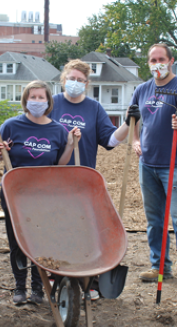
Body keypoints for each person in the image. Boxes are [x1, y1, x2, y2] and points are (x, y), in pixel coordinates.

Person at [49, 59, 140, 299]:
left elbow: (110, 140)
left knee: (85, 230)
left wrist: (128, 124)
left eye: (80, 80)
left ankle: (88, 279)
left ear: (87, 84)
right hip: (53, 178)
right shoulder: (51, 104)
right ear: (63, 79)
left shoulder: (94, 108)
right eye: (71, 78)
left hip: (83, 180)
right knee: (56, 228)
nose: (75, 83)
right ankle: (56, 273)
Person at [0, 80, 81, 305]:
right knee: (17, 241)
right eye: (33, 97)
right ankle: (19, 287)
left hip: (44, 195)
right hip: (15, 193)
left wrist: (71, 145)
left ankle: (38, 288)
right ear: (25, 100)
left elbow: (60, 165)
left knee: (40, 241)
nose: (37, 101)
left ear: (49, 101)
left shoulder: (57, 130)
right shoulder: (11, 125)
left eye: (41, 97)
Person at [130, 43, 177, 282]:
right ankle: (160, 267)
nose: (157, 64)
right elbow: (133, 119)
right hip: (148, 163)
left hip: (176, 164)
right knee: (154, 220)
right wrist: (134, 140)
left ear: (171, 61)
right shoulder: (142, 90)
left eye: (161, 59)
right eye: (153, 60)